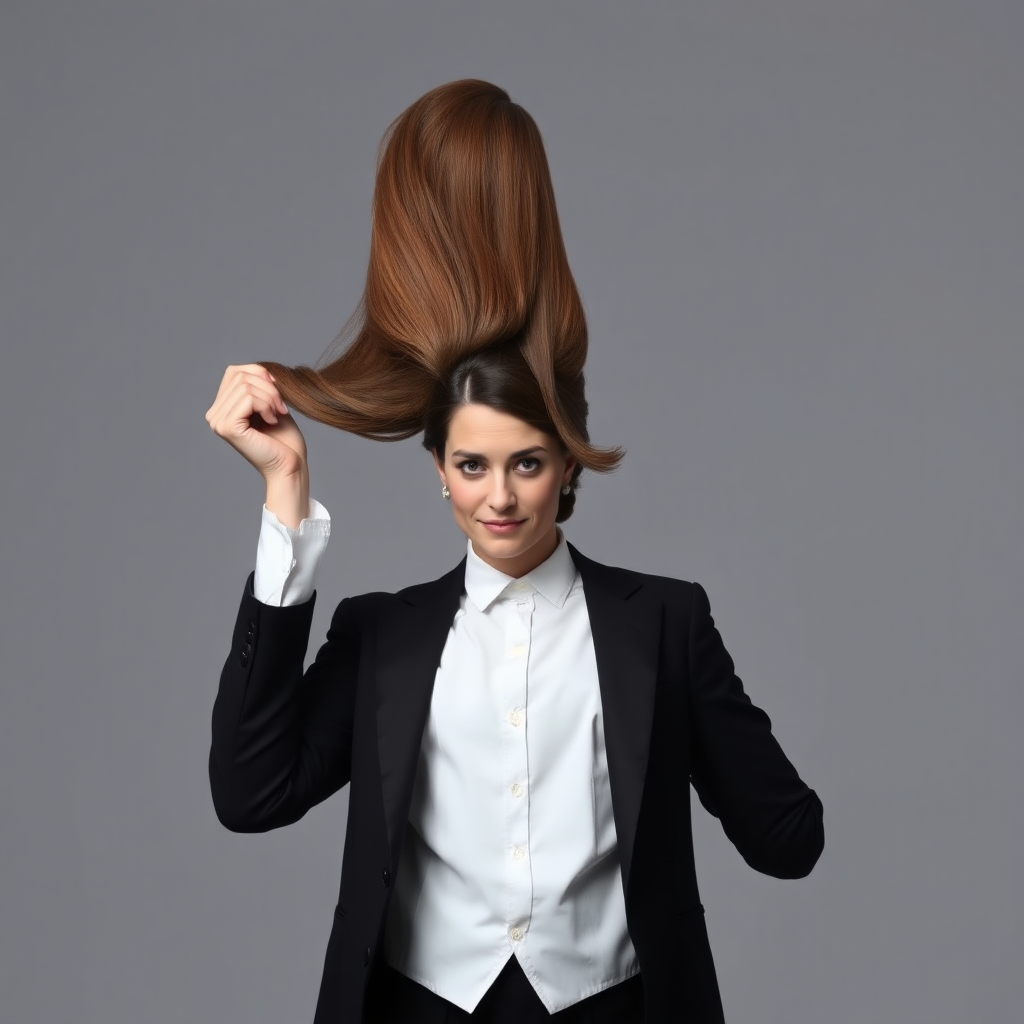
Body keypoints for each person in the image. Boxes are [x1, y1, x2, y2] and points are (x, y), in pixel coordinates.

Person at [205, 80, 824, 1024]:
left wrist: (708, 738)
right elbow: (251, 794)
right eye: (472, 464)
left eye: (527, 463)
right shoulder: (384, 639)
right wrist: (284, 498)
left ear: (567, 466)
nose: (499, 495)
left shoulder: (664, 623)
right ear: (439, 474)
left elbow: (788, 838)